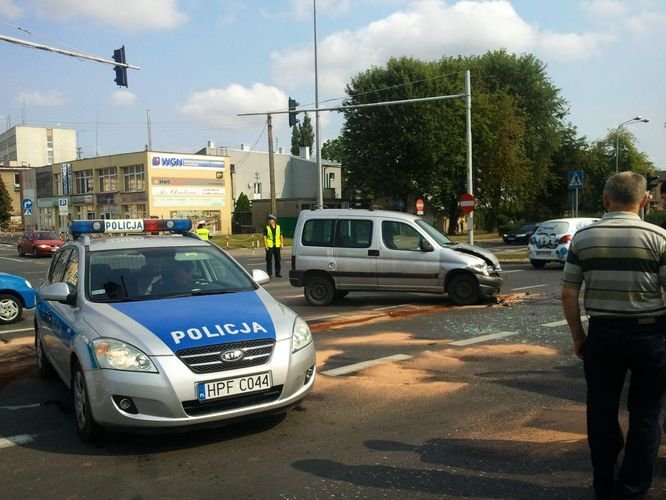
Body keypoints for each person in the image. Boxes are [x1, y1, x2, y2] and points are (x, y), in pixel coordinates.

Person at [561, 171, 666, 499]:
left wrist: (579, 337)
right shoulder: (659, 238)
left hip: (603, 335)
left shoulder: (583, 238)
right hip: (650, 336)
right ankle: (633, 489)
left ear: (605, 200)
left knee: (601, 409)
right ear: (645, 200)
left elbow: (568, 293)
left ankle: (604, 484)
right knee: (646, 413)